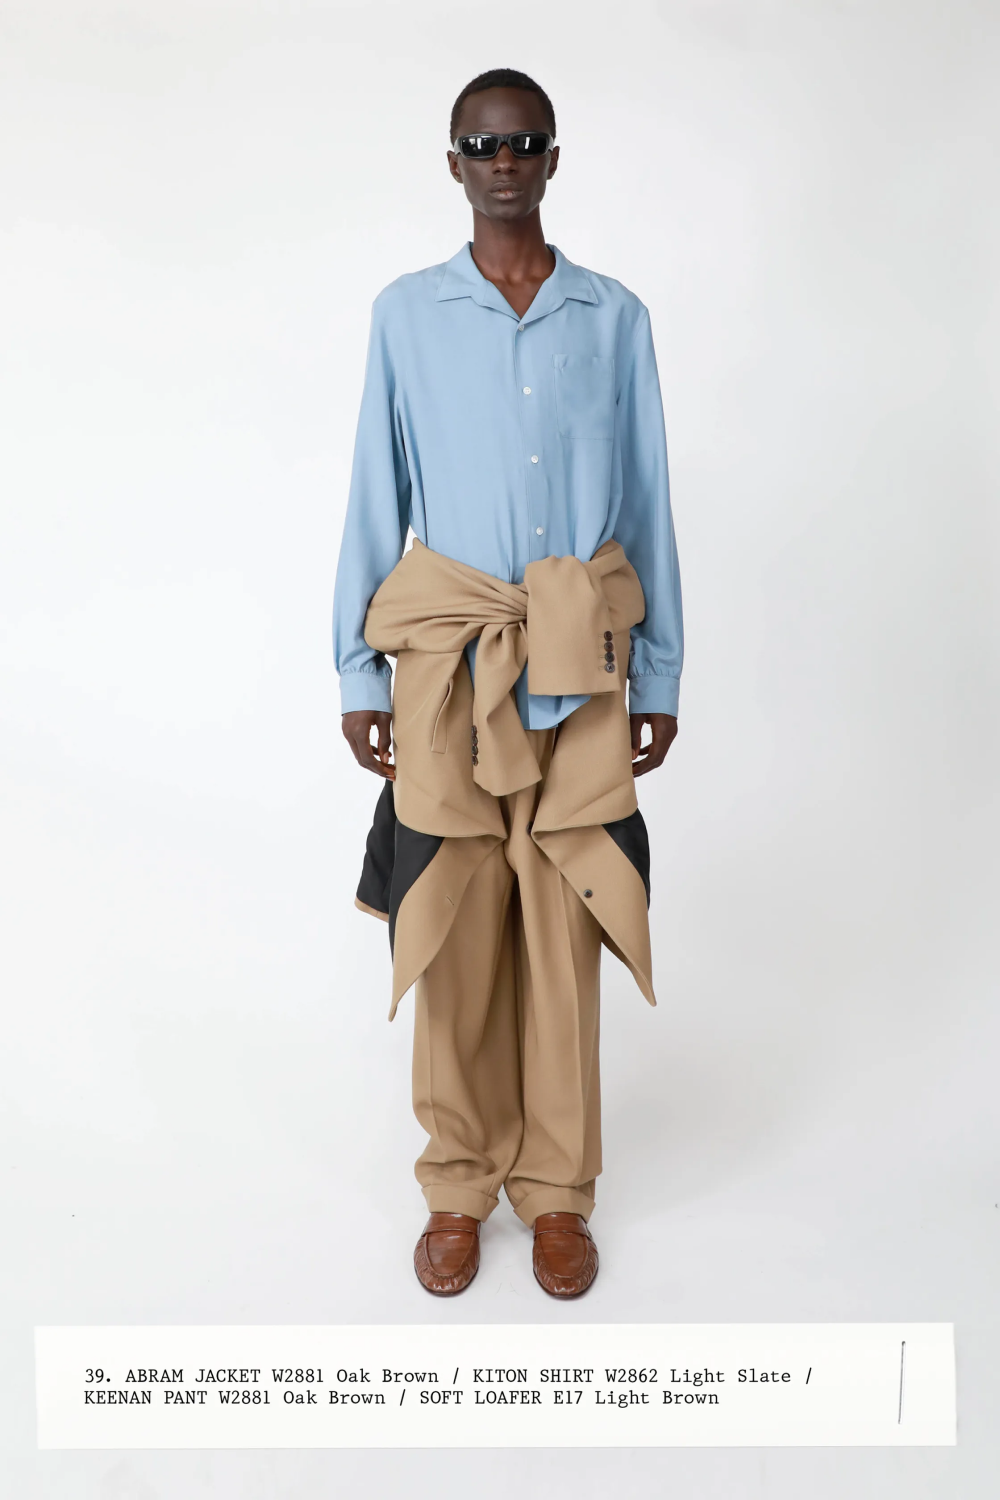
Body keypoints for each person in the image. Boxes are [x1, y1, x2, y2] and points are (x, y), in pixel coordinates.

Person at [332, 68, 682, 1298]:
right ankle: (456, 1183)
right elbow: (374, 492)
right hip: (448, 666)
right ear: (453, 163)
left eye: (524, 141)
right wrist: (356, 670)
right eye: (482, 144)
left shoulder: (613, 317)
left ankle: (559, 1192)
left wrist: (659, 671)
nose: (503, 162)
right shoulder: (405, 315)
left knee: (564, 919)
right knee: (453, 920)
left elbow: (646, 504)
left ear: (551, 158)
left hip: (580, 665)